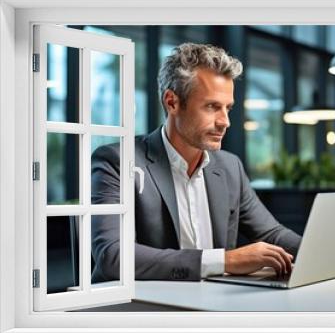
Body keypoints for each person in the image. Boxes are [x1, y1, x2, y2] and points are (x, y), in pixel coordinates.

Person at [91, 43, 301, 282]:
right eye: (212, 107)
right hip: (139, 309)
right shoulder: (117, 162)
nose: (225, 122)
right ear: (172, 102)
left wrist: (323, 254)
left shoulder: (230, 167)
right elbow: (112, 256)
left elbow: (272, 233)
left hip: (211, 303)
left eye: (228, 108)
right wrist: (225, 260)